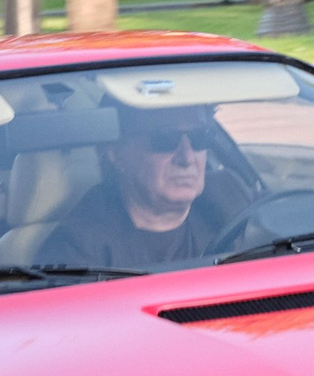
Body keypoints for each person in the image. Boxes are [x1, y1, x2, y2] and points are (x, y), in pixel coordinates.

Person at [37, 106, 238, 271]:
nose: (187, 157)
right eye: (165, 139)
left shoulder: (230, 196)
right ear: (116, 152)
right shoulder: (78, 248)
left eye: (200, 137)